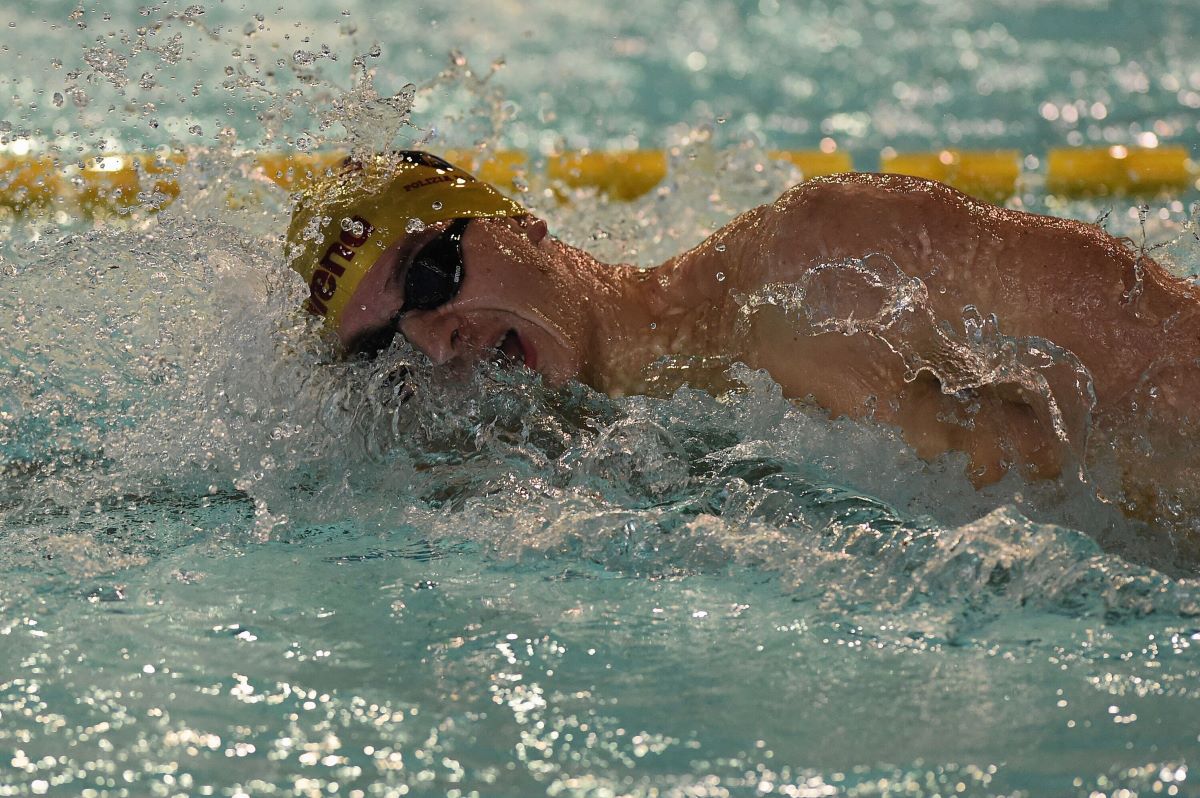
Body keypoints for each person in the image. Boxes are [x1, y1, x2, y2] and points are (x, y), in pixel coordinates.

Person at [287, 150, 1199, 547]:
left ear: (521, 226)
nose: (435, 339)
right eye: (384, 355)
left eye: (433, 273)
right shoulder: (573, 486)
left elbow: (1168, 346)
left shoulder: (827, 258)